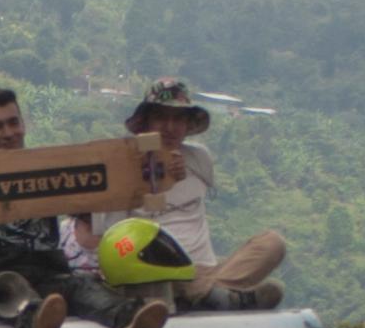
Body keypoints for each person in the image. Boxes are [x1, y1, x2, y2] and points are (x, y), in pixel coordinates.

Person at [0, 87, 167, 328]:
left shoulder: (48, 168)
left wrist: (162, 170)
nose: (8, 133)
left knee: (83, 287)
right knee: (15, 293)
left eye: (13, 122)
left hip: (47, 271)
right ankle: (39, 325)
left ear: (23, 125)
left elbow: (111, 177)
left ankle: (127, 321)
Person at [123, 78, 286, 309]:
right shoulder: (123, 166)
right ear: (146, 122)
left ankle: (211, 295)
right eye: (161, 117)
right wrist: (156, 174)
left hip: (206, 270)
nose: (169, 127)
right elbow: (112, 239)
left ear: (188, 124)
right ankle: (220, 297)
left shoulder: (200, 159)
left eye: (178, 118)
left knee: (272, 243)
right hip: (159, 274)